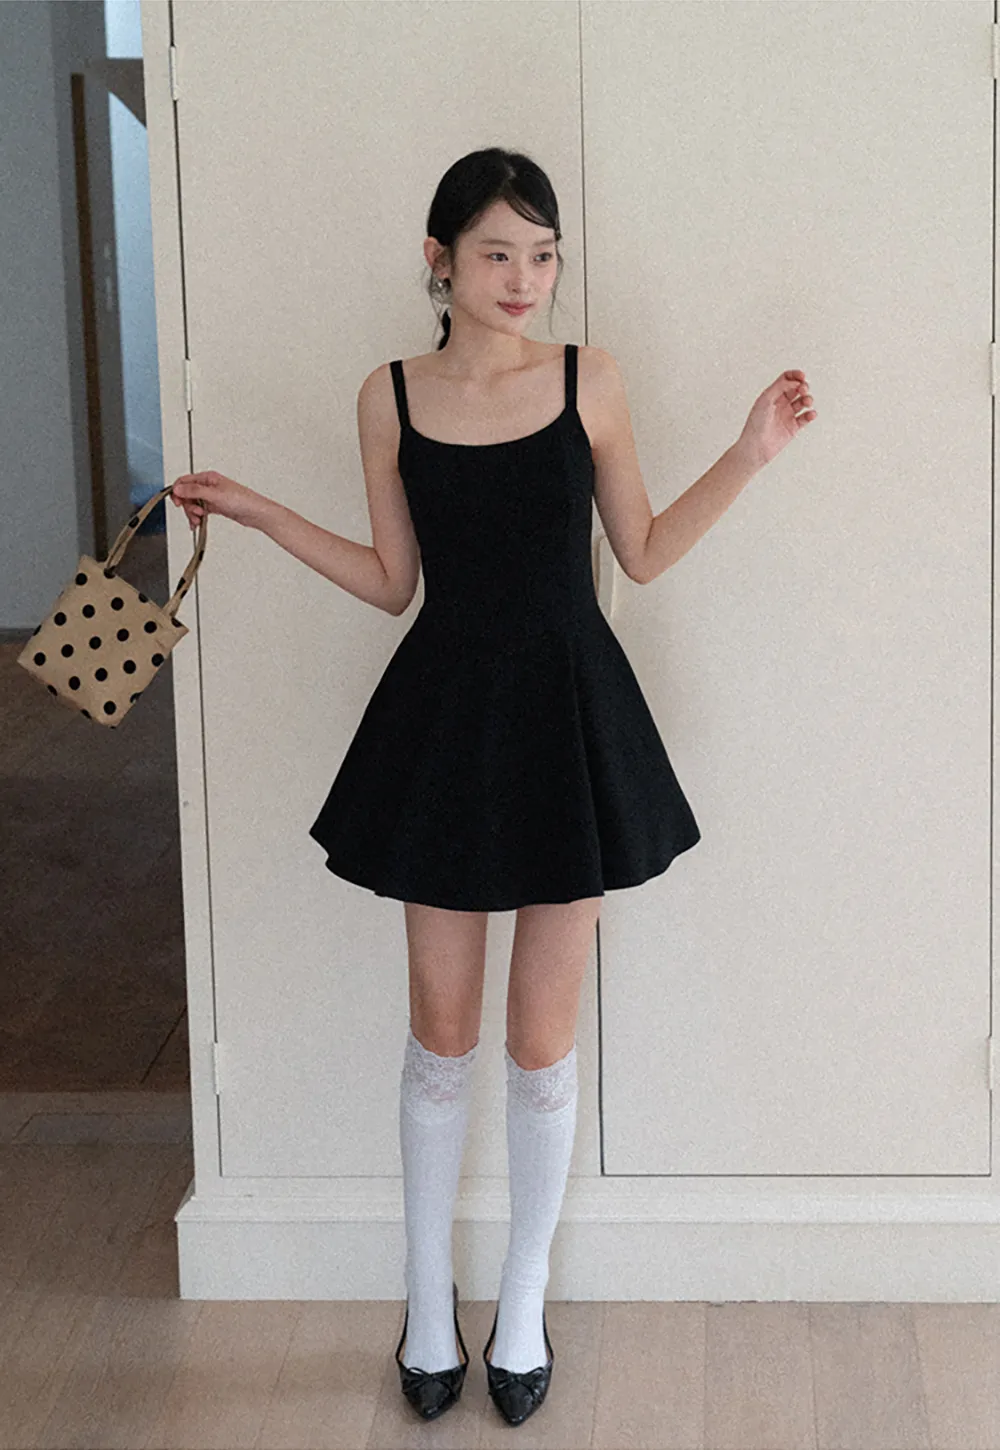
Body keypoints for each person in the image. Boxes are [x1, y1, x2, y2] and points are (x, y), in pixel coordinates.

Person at [170, 147, 816, 1428]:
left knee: (538, 1037)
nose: (525, 279)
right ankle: (427, 1302)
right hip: (446, 721)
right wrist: (252, 511)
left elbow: (641, 550)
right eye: (497, 254)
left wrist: (748, 452)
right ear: (440, 260)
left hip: (571, 719)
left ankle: (521, 1305)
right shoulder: (388, 395)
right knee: (440, 1028)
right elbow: (390, 582)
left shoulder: (590, 379)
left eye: (543, 254)